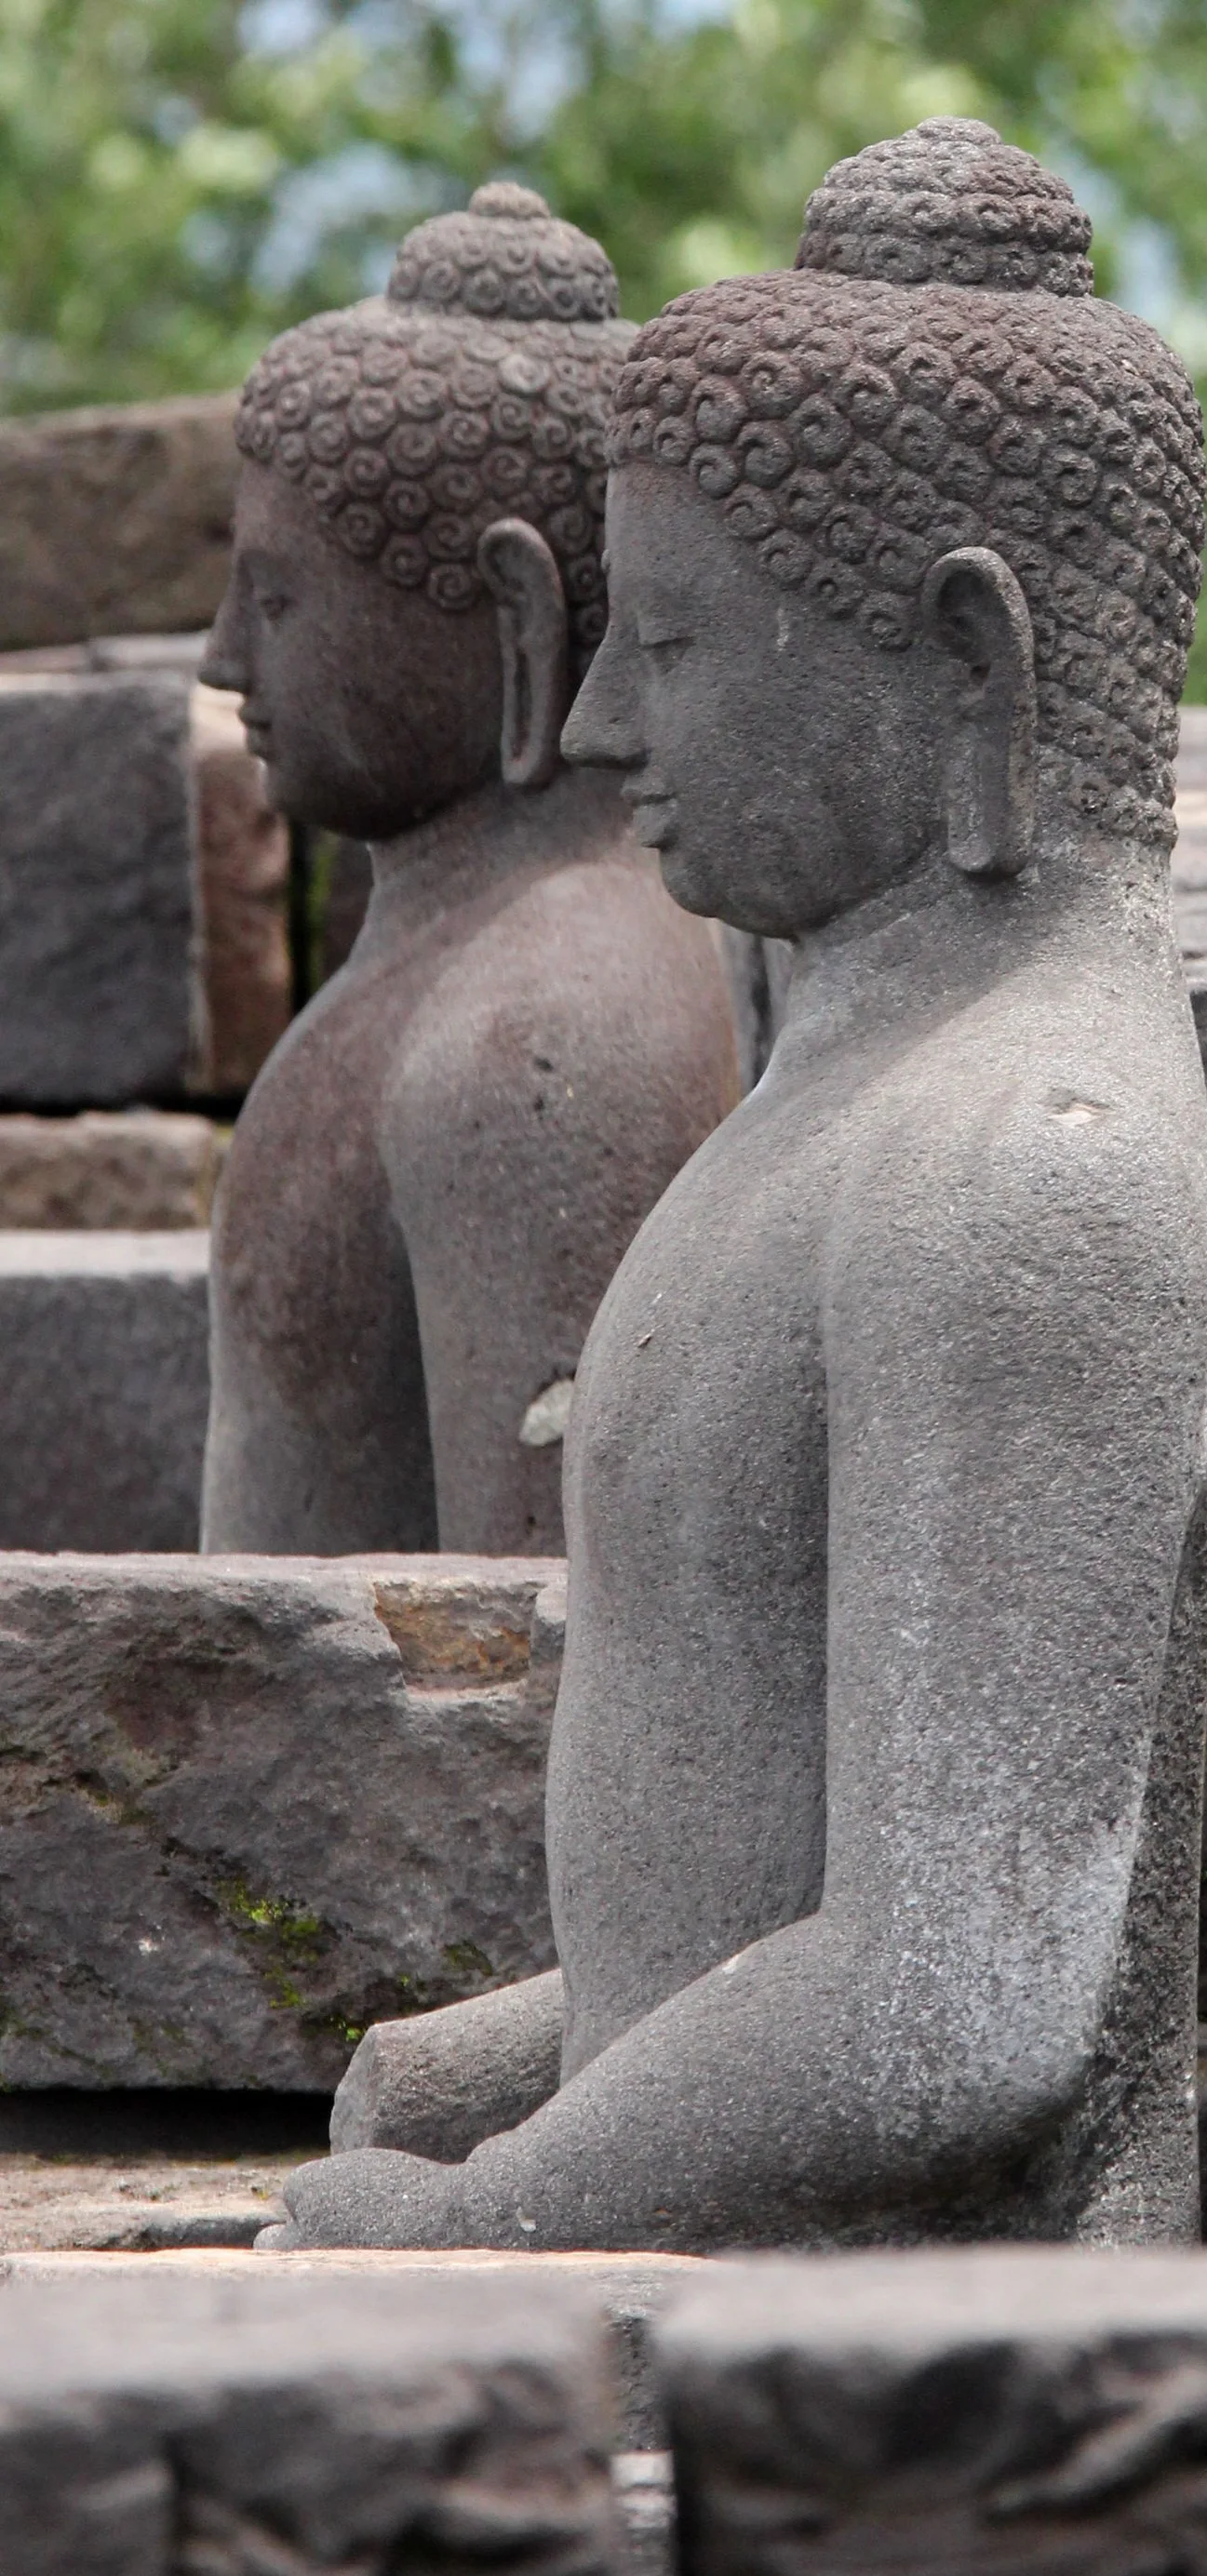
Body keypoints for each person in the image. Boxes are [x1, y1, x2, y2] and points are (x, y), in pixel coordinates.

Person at [262, 123, 1207, 2252]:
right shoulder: (853, 1075)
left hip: (918, 2392)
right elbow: (749, 1902)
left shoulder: (1020, 1173)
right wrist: (505, 2064)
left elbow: (959, 2000)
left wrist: (490, 2213)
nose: (602, 720)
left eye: (679, 645)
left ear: (961, 665)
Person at [200, 183, 738, 1554]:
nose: (221, 663)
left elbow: (527, 1651)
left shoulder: (547, 1038)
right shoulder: (470, 966)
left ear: (518, 614)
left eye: (275, 601)